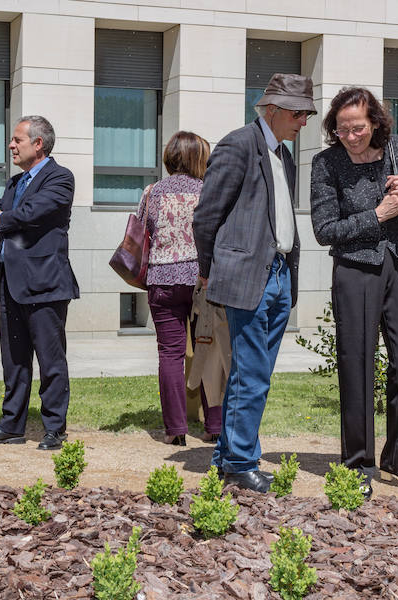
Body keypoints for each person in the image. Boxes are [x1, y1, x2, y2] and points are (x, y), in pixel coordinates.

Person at [193, 73, 313, 493]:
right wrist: (208, 270)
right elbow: (206, 216)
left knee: (253, 372)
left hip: (279, 275)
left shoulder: (284, 154)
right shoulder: (238, 144)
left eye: (307, 114)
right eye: (299, 113)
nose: (304, 122)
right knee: (252, 373)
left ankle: (229, 456)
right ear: (274, 110)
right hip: (248, 277)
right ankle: (242, 462)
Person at [309, 87, 398, 499]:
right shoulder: (326, 163)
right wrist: (376, 215)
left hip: (397, 264)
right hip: (354, 270)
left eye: (357, 128)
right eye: (341, 130)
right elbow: (324, 231)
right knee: (356, 366)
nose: (351, 136)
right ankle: (358, 462)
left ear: (374, 121)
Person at [0, 115, 79, 451]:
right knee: (14, 360)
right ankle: (11, 426)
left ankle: (54, 428)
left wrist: (2, 216)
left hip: (45, 284)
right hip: (10, 284)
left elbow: (30, 214)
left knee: (51, 361)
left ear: (38, 143)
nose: (11, 145)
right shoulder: (14, 183)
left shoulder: (60, 178)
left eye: (17, 140)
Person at [135, 131, 222, 446]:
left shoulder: (152, 191)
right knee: (210, 352)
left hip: (162, 279)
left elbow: (142, 230)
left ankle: (175, 430)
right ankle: (215, 426)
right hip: (204, 280)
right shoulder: (209, 190)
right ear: (200, 159)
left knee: (169, 353)